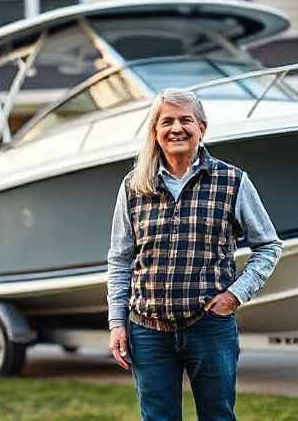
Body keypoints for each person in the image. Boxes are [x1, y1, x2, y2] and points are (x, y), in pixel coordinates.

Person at [107, 89, 284, 421]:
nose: (177, 128)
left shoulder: (232, 181)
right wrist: (117, 323)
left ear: (201, 128)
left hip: (209, 327)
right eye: (167, 121)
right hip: (147, 331)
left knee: (217, 416)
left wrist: (234, 296)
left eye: (186, 120)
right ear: (155, 132)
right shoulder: (134, 186)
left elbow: (269, 246)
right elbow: (120, 259)